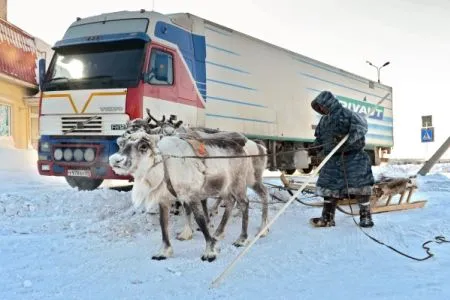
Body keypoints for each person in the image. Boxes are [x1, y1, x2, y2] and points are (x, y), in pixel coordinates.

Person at [308, 90, 375, 228]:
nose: (321, 109)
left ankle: (366, 217)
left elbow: (361, 126)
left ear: (329, 103)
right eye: (319, 107)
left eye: (322, 105)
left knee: (360, 188)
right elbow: (320, 139)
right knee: (328, 188)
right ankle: (327, 218)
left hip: (353, 158)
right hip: (333, 160)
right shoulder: (324, 120)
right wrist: (314, 147)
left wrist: (348, 139)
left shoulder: (347, 114)